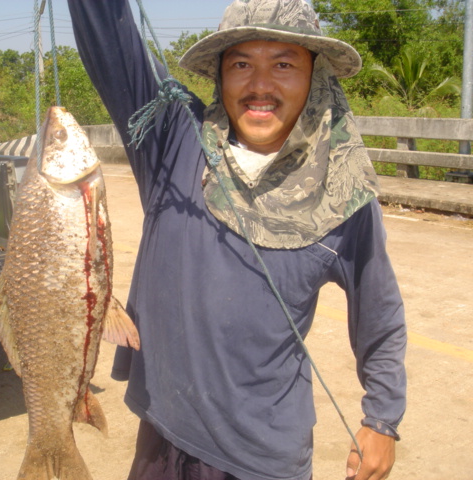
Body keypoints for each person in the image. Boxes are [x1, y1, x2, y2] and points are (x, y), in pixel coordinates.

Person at [67, 0, 407, 479]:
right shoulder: (173, 140)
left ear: (316, 76)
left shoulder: (343, 193)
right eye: (241, 64)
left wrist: (383, 419)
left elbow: (381, 315)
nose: (260, 85)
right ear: (221, 77)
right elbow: (110, 37)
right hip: (163, 433)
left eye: (284, 64)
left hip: (261, 457)